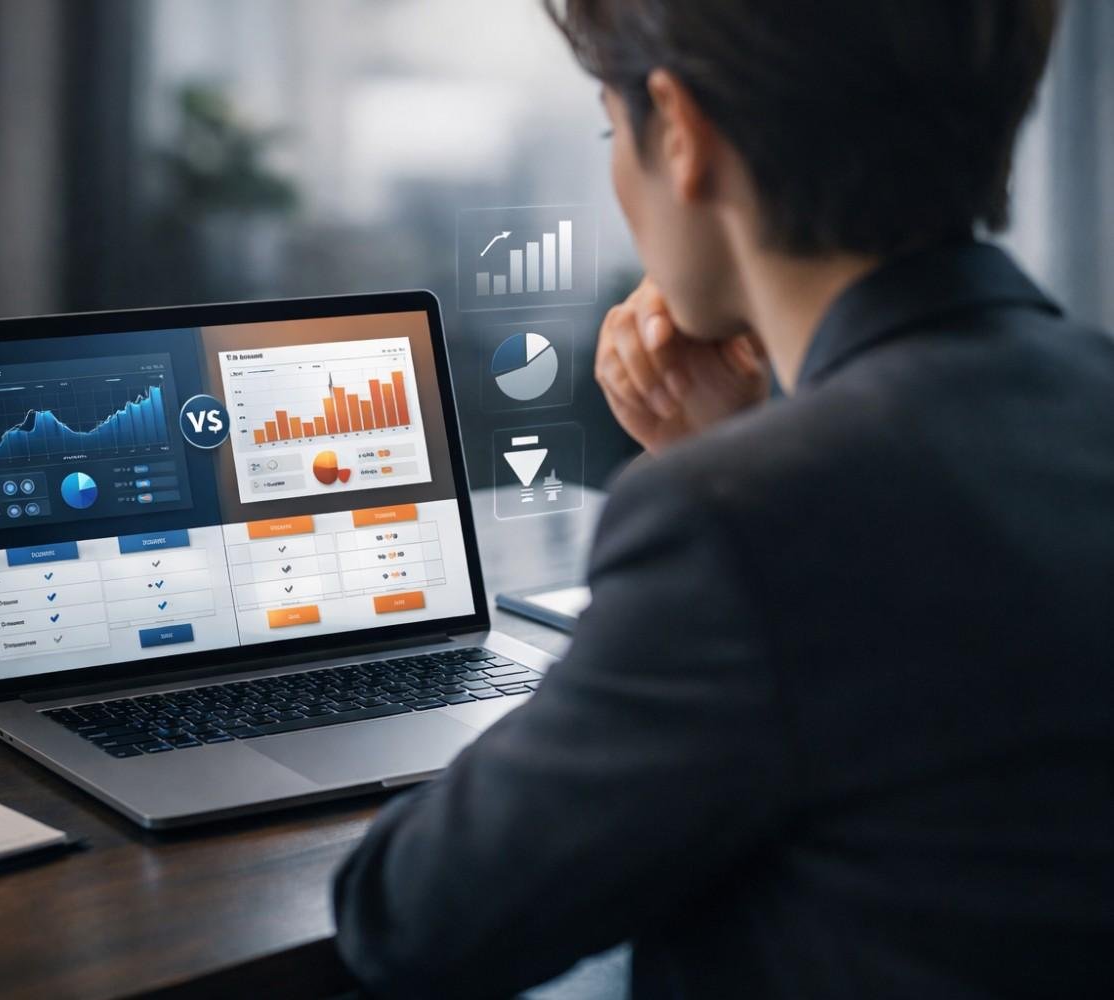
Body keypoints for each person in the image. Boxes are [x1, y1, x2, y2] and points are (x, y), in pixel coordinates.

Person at [332, 0, 1114, 996]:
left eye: (615, 132)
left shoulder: (741, 521)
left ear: (683, 133)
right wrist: (745, 446)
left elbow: (405, 918)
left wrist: (724, 480)